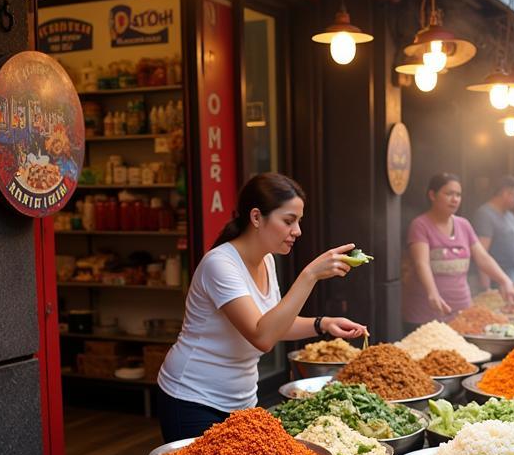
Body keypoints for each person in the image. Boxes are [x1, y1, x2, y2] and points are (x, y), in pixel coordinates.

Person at [157, 173, 367, 441]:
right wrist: (309, 275)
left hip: (241, 401)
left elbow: (274, 323)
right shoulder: (220, 264)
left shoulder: (266, 260)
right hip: (192, 399)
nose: (297, 231)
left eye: (299, 221)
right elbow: (262, 337)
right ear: (256, 217)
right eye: (289, 221)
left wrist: (322, 324)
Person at [402, 172, 514, 324]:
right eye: (449, 193)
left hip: (462, 310)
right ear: (432, 195)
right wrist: (432, 293)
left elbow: (483, 257)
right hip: (428, 311)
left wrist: (505, 281)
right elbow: (421, 263)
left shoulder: (464, 225)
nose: (455, 199)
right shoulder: (420, 225)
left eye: (458, 194)